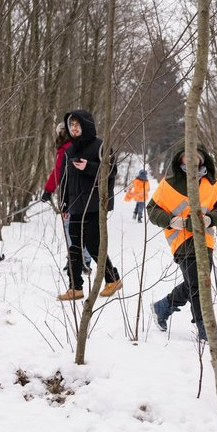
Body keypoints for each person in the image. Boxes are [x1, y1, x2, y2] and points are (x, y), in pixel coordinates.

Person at [148, 144, 217, 341]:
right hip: (181, 242)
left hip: (205, 241)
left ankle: (163, 306)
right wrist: (171, 221)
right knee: (198, 284)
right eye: (187, 156)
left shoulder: (213, 184)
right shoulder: (168, 184)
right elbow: (152, 210)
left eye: (195, 156)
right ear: (180, 159)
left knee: (196, 283)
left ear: (202, 159)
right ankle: (204, 328)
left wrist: (211, 218)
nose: (191, 159)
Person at [55, 109, 123, 301]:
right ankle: (75, 287)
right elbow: (64, 180)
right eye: (71, 125)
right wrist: (64, 205)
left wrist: (89, 167)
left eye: (77, 124)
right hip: (75, 205)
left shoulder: (100, 146)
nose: (74, 128)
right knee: (74, 247)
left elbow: (111, 171)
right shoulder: (69, 150)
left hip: (94, 205)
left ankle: (113, 280)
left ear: (85, 125)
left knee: (94, 246)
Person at [41, 121, 91, 274]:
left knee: (71, 228)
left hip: (72, 196)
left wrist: (48, 191)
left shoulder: (66, 149)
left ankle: (77, 260)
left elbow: (58, 172)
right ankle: (83, 260)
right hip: (83, 195)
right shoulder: (80, 145)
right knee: (82, 228)